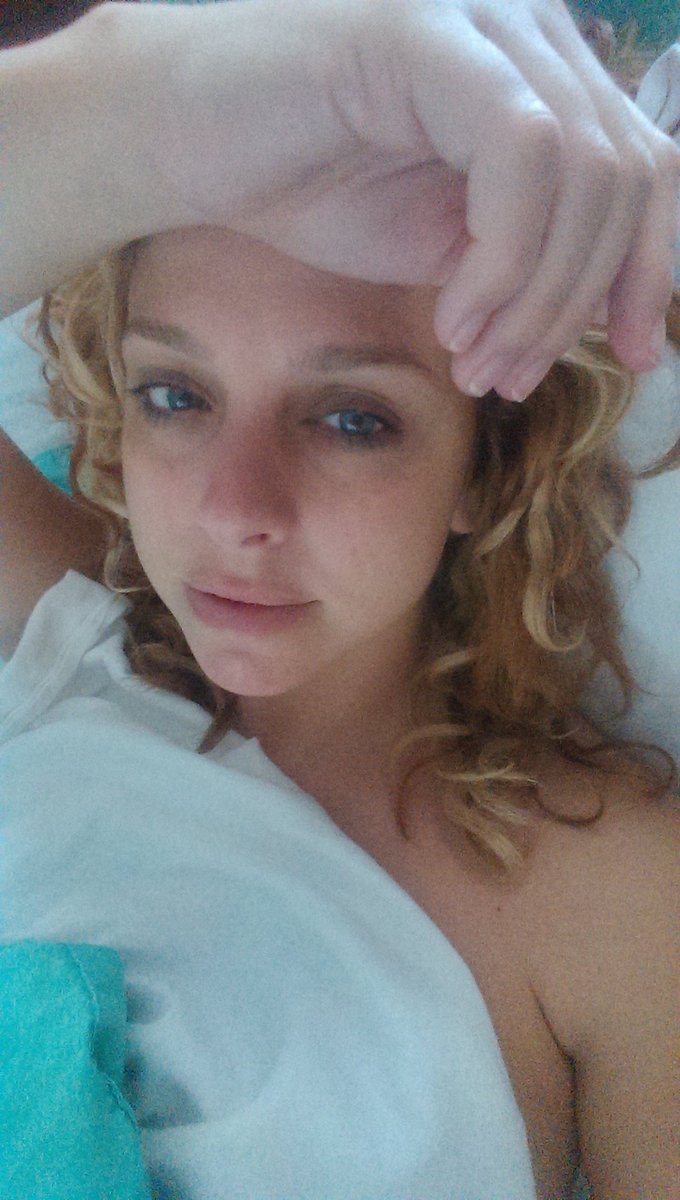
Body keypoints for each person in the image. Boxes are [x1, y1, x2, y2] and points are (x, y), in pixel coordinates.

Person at [0, 2, 678, 1198]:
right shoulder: (55, 640)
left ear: (484, 467)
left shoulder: (611, 899)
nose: (236, 509)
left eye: (352, 419)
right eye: (175, 397)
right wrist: (168, 105)